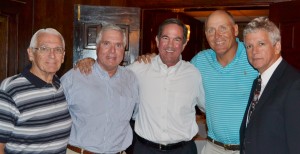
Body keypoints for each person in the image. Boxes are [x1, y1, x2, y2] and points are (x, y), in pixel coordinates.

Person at [76, 18, 205, 154]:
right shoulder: (139, 68)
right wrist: (91, 62)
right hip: (145, 149)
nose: (170, 45)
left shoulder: (194, 74)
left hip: (183, 150)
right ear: (157, 41)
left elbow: (208, 107)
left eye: (177, 39)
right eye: (165, 38)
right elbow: (111, 71)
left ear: (184, 44)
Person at [61, 24, 139, 154]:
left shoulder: (131, 79)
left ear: (124, 49)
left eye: (118, 45)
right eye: (106, 43)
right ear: (97, 47)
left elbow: (138, 114)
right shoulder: (74, 77)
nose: (112, 51)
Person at [190, 10, 258, 154]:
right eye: (211, 30)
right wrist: (151, 60)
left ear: (235, 30)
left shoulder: (254, 57)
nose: (217, 36)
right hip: (213, 148)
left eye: (223, 28)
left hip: (249, 148)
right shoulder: (200, 61)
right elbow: (174, 74)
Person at [0, 28, 72, 154]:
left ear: (63, 57)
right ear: (31, 54)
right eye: (44, 48)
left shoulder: (60, 85)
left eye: (58, 49)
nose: (52, 55)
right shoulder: (11, 90)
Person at [240, 17, 300, 154]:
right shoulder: (258, 82)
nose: (254, 51)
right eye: (249, 46)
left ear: (277, 46)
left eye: (261, 44)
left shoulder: (294, 84)